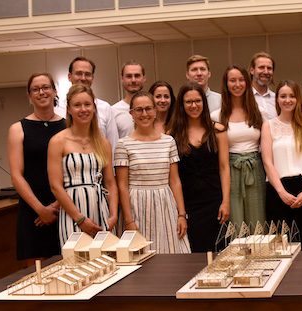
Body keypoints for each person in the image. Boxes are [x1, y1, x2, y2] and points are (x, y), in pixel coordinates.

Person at [114, 91, 191, 254]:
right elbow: (122, 185)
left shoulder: (168, 141)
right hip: (137, 206)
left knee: (172, 252)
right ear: (131, 114)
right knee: (141, 257)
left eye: (148, 109)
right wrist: (129, 221)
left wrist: (182, 215)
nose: (144, 114)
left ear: (155, 111)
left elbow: (175, 181)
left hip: (165, 205)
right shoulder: (123, 144)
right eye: (138, 110)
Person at [47, 84, 119, 244]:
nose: (83, 109)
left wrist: (113, 216)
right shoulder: (58, 141)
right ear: (69, 109)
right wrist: (80, 219)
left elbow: (110, 183)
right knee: (77, 264)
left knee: (108, 264)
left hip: (102, 212)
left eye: (87, 104)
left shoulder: (103, 143)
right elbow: (56, 186)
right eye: (77, 105)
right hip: (73, 214)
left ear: (94, 107)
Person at [9, 72, 65, 265]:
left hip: (65, 208)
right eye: (36, 89)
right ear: (29, 95)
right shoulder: (18, 128)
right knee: (36, 278)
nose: (41, 92)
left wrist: (56, 206)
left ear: (55, 91)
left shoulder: (67, 126)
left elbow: (73, 173)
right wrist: (41, 209)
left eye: (45, 87)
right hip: (32, 212)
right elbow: (16, 176)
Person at [169, 83, 231, 252]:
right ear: (181, 105)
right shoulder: (171, 135)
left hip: (214, 199)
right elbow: (173, 178)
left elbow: (225, 167)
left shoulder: (218, 130)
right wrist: (181, 212)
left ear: (204, 103)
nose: (194, 105)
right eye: (188, 102)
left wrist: (225, 201)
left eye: (198, 101)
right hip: (188, 202)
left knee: (218, 251)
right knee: (193, 251)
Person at [260, 80, 302, 250]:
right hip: (278, 191)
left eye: (292, 96)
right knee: (281, 248)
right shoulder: (268, 126)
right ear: (277, 99)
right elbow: (267, 162)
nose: (287, 100)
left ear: (298, 99)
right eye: (283, 96)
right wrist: (281, 192)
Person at [212, 65, 267, 226]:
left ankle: (260, 252)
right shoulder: (217, 116)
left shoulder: (260, 112)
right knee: (235, 222)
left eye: (241, 80)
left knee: (257, 220)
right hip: (230, 170)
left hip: (255, 168)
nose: (237, 84)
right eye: (232, 80)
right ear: (226, 84)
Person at [54, 57, 120, 153]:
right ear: (69, 76)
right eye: (78, 73)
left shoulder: (105, 108)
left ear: (92, 78)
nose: (83, 78)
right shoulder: (56, 108)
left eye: (87, 74)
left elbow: (113, 146)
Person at [113, 61, 147, 138]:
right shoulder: (113, 111)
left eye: (137, 76)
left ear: (144, 78)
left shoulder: (153, 109)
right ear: (122, 79)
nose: (133, 80)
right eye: (129, 76)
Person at [250, 52, 277, 120]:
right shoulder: (243, 98)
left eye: (269, 68)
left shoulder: (277, 99)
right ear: (252, 70)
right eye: (261, 67)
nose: (265, 72)